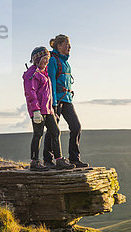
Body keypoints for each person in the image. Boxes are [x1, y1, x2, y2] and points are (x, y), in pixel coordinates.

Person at [23, 46, 75, 171]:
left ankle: (58, 160)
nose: (46, 62)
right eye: (44, 59)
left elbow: (48, 94)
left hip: (48, 110)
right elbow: (31, 93)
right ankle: (34, 162)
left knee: (55, 132)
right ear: (36, 60)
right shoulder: (32, 74)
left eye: (47, 59)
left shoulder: (44, 72)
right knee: (38, 134)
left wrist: (52, 109)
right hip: (38, 111)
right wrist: (35, 110)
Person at [43, 34, 89, 168]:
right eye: (66, 44)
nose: (69, 47)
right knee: (53, 130)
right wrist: (53, 102)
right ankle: (48, 159)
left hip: (67, 99)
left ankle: (74, 158)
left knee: (76, 127)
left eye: (69, 45)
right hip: (56, 100)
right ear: (58, 46)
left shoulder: (66, 62)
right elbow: (51, 81)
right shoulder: (53, 60)